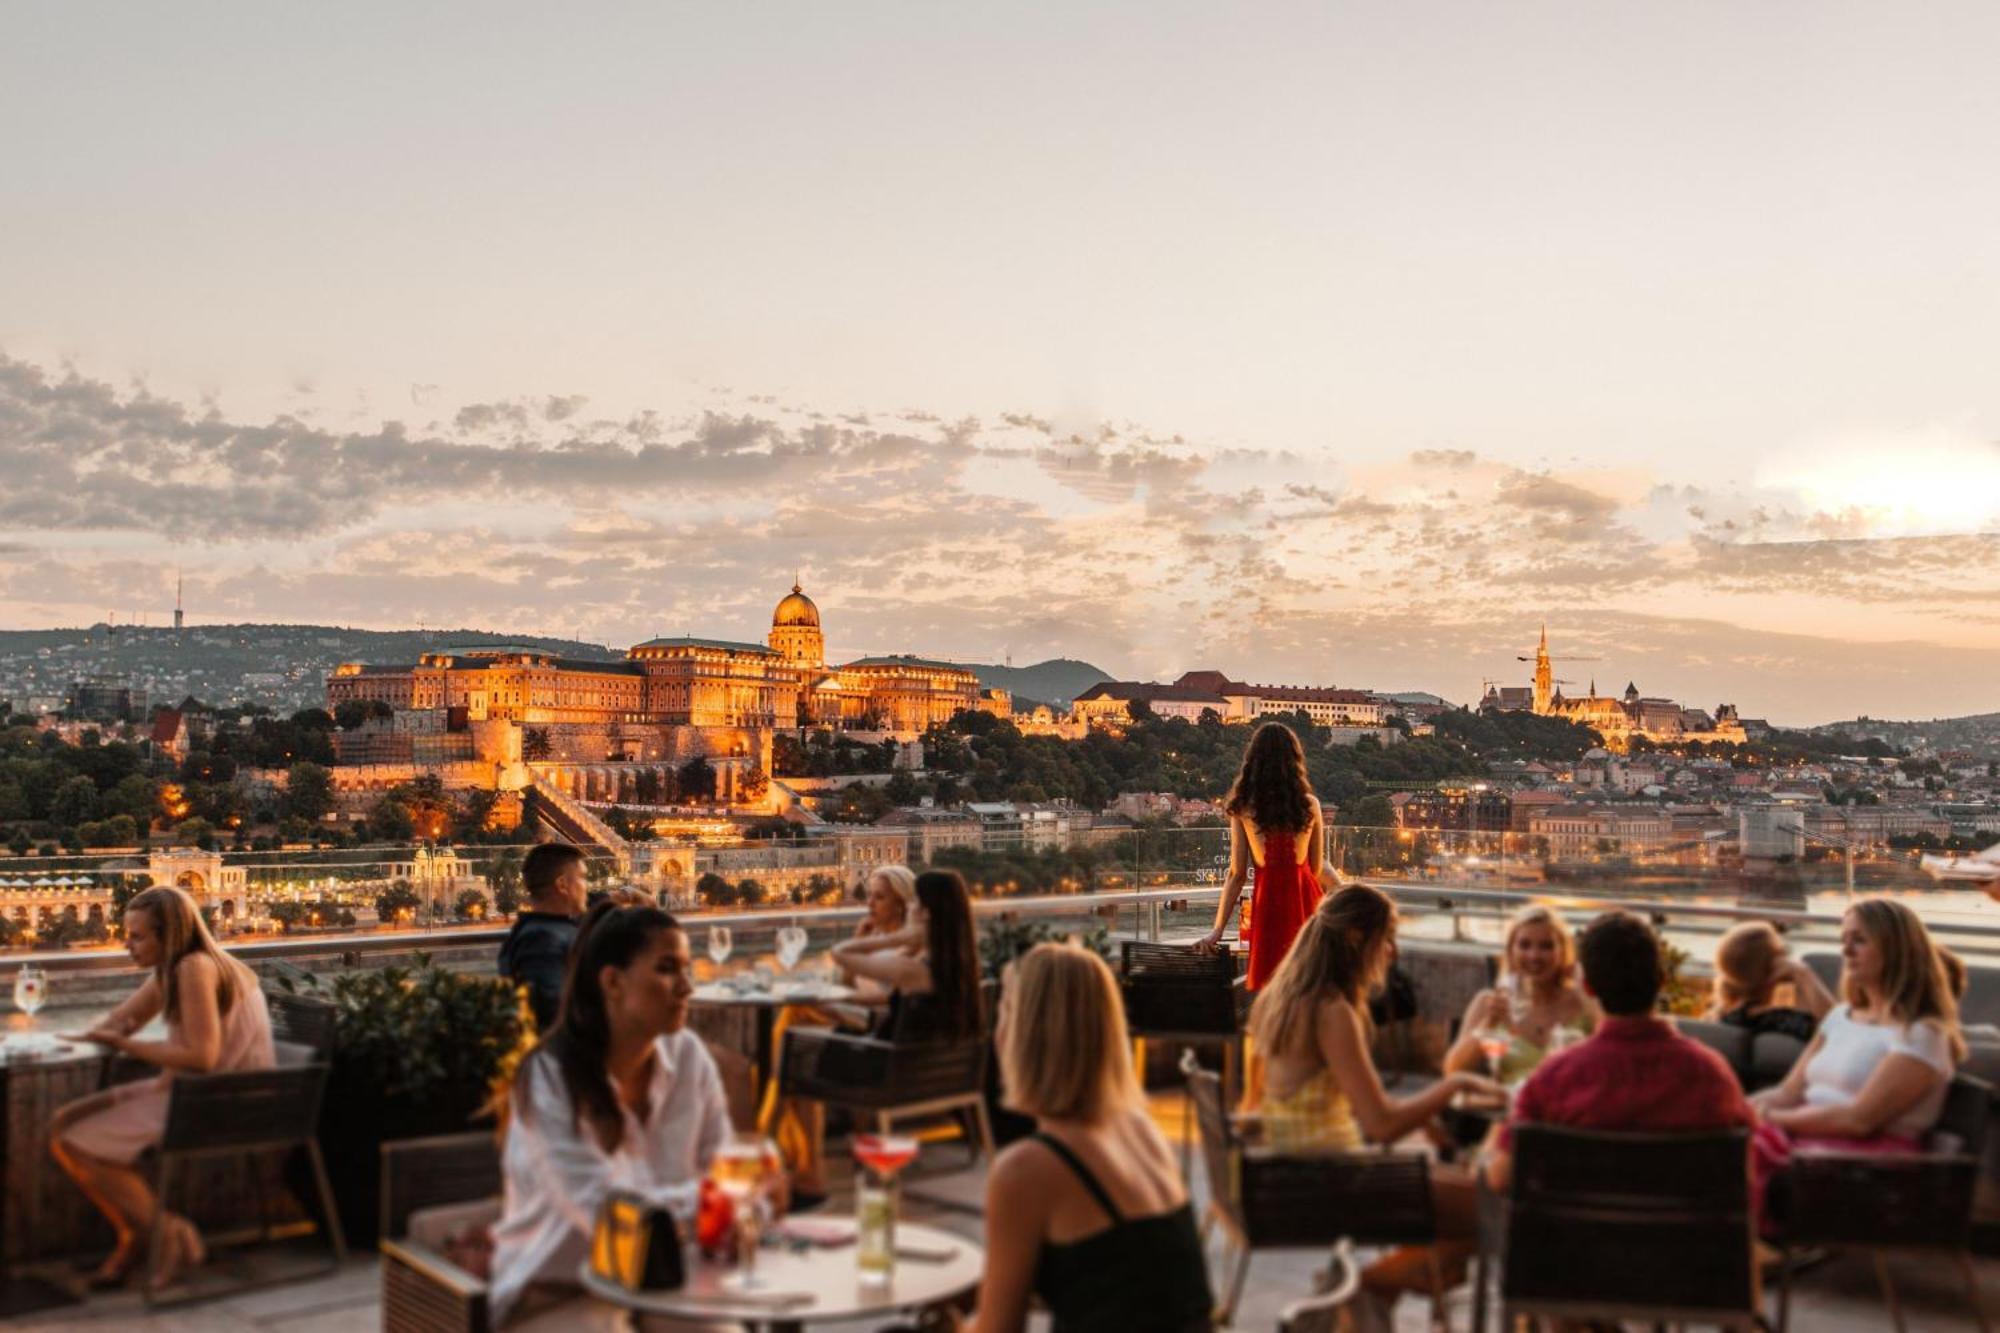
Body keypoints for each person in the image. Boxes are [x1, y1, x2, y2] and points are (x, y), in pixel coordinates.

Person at [1242, 885, 1498, 1329]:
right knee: (1496, 1208)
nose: (1393, 950)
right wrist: (1453, 1083)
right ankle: (1370, 1286)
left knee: (1466, 1194)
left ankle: (1383, 1289)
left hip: (1299, 1167)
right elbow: (1381, 1126)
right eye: (1388, 937)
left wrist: (1426, 1119)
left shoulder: (1282, 998)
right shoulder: (1331, 1011)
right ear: (1360, 939)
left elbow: (1350, 1106)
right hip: (1333, 1179)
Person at [490, 900, 742, 1328]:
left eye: (686, 968)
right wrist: (704, 1201)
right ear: (612, 981)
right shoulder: (548, 1078)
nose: (687, 987)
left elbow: (726, 1173)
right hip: (560, 1293)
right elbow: (606, 1213)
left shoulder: (688, 1057)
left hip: (670, 1279)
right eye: (667, 969)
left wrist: (712, 1202)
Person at [961, 942, 1213, 1332]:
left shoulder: (1029, 1170)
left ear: (1027, 1035)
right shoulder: (1139, 1129)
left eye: (1004, 1012)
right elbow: (1124, 1281)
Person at [51, 886, 276, 1290]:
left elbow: (202, 1056)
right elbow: (123, 1020)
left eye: (137, 937)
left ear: (167, 936)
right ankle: (143, 1231)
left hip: (220, 1103)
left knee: (75, 1141)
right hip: (196, 1093)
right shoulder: (175, 968)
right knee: (64, 1123)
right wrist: (67, 1038)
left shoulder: (194, 969)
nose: (126, 945)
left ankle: (165, 1234)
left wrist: (126, 1045)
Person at [1484, 911, 1755, 1195]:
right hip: (1680, 1237)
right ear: (1662, 980)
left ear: (1587, 986)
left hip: (1578, 1235)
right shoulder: (1712, 1076)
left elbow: (1500, 1178)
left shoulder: (1552, 1080)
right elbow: (1747, 1176)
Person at [1751, 899, 1964, 1224]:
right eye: (1844, 939)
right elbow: (1787, 1092)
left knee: (1733, 1153)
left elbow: (1858, 1121)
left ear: (1896, 950)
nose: (1846, 950)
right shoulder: (1839, 1017)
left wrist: (1768, 1117)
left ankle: (1734, 1254)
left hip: (1866, 1165)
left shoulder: (1921, 1033)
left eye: (1860, 940)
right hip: (1804, 1141)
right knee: (1707, 1138)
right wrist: (1732, 1110)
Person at [760, 865, 922, 1195]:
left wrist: (838, 996)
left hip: (873, 1033)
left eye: (879, 897)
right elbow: (850, 981)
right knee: (795, 1017)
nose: (870, 904)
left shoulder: (909, 948)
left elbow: (883, 997)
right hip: (864, 1022)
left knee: (794, 1046)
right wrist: (861, 940)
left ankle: (781, 1142)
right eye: (870, 896)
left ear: (902, 903)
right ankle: (779, 1138)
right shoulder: (879, 937)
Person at [1196, 722, 1329, 990]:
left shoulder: (1242, 808)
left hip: (1269, 902)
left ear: (1253, 761)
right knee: (1309, 983)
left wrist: (1218, 929)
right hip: (1306, 900)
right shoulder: (1310, 805)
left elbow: (1237, 873)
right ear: (1295, 760)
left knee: (1272, 984)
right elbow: (1315, 867)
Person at [1444, 905, 1595, 1084]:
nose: (1534, 956)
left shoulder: (1582, 1003)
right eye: (1524, 945)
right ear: (1511, 951)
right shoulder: (1490, 1003)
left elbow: (1612, 1061)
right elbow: (1452, 1069)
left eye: (1546, 946)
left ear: (1562, 952)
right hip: (1513, 1107)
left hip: (1572, 1107)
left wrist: (1587, 996)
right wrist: (1488, 1025)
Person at [828, 868, 984, 1041]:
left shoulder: (914, 971)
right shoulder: (960, 966)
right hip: (919, 1060)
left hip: (884, 1060)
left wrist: (902, 937)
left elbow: (840, 952)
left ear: (925, 913)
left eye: (915, 901)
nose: (909, 906)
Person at [499, 842, 588, 1031]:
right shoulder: (542, 940)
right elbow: (553, 1015)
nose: (586, 886)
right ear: (562, 885)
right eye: (582, 878)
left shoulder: (545, 929)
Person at [1705, 920, 1835, 1042]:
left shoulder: (1721, 1020)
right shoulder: (1785, 1022)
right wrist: (1804, 974)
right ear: (1775, 967)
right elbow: (1840, 1030)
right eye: (1784, 953)